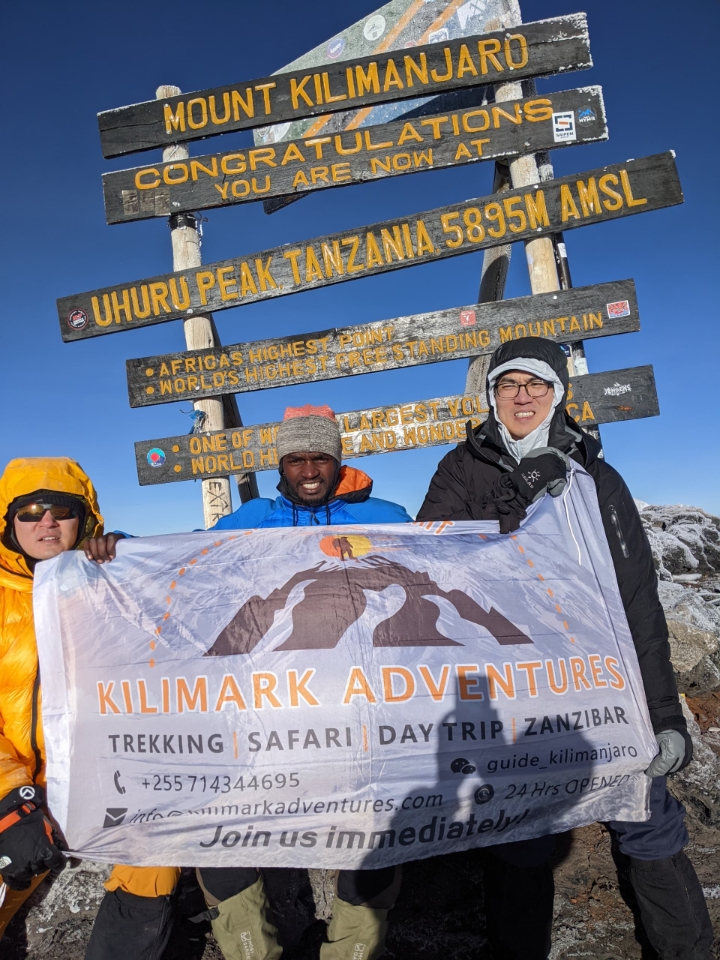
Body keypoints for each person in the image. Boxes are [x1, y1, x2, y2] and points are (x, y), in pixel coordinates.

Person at [416, 337, 714, 960]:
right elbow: (438, 565)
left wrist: (664, 713)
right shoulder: (460, 470)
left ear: (558, 393)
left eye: (536, 383)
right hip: (512, 688)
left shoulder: (599, 478)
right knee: (521, 838)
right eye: (508, 384)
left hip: (601, 679)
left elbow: (637, 601)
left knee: (647, 820)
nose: (522, 396)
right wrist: (521, 491)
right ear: (492, 395)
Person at [87, 404, 410, 960]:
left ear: (337, 460)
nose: (308, 471)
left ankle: (352, 950)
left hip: (360, 705)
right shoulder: (253, 517)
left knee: (375, 831)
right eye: (295, 459)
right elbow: (189, 559)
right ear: (280, 465)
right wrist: (124, 549)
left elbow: (444, 568)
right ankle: (252, 950)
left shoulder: (387, 517)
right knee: (221, 824)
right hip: (267, 705)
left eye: (320, 458)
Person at [0, 457, 110, 940]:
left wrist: (127, 562)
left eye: (62, 510)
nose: (46, 521)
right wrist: (10, 800)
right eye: (29, 511)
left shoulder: (110, 585)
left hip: (95, 789)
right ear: (8, 522)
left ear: (84, 520)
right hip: (13, 790)